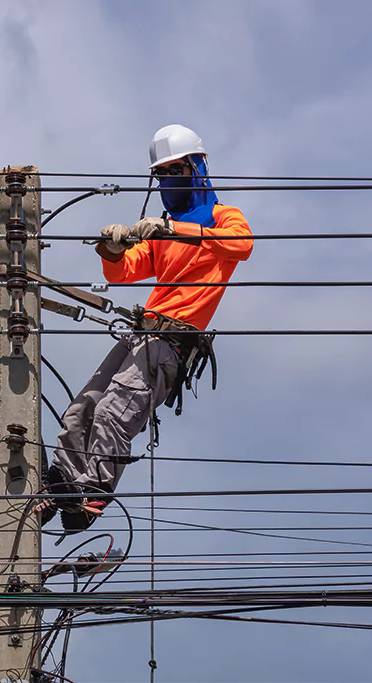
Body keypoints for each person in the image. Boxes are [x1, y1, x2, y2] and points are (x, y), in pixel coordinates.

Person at [36, 124, 254, 532]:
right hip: (142, 332)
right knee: (83, 407)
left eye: (176, 171)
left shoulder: (222, 217)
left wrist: (175, 229)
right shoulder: (163, 232)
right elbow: (124, 273)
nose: (168, 181)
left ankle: (94, 489)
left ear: (197, 169)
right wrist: (113, 248)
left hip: (173, 339)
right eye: (162, 174)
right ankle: (62, 482)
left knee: (113, 413)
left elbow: (242, 245)